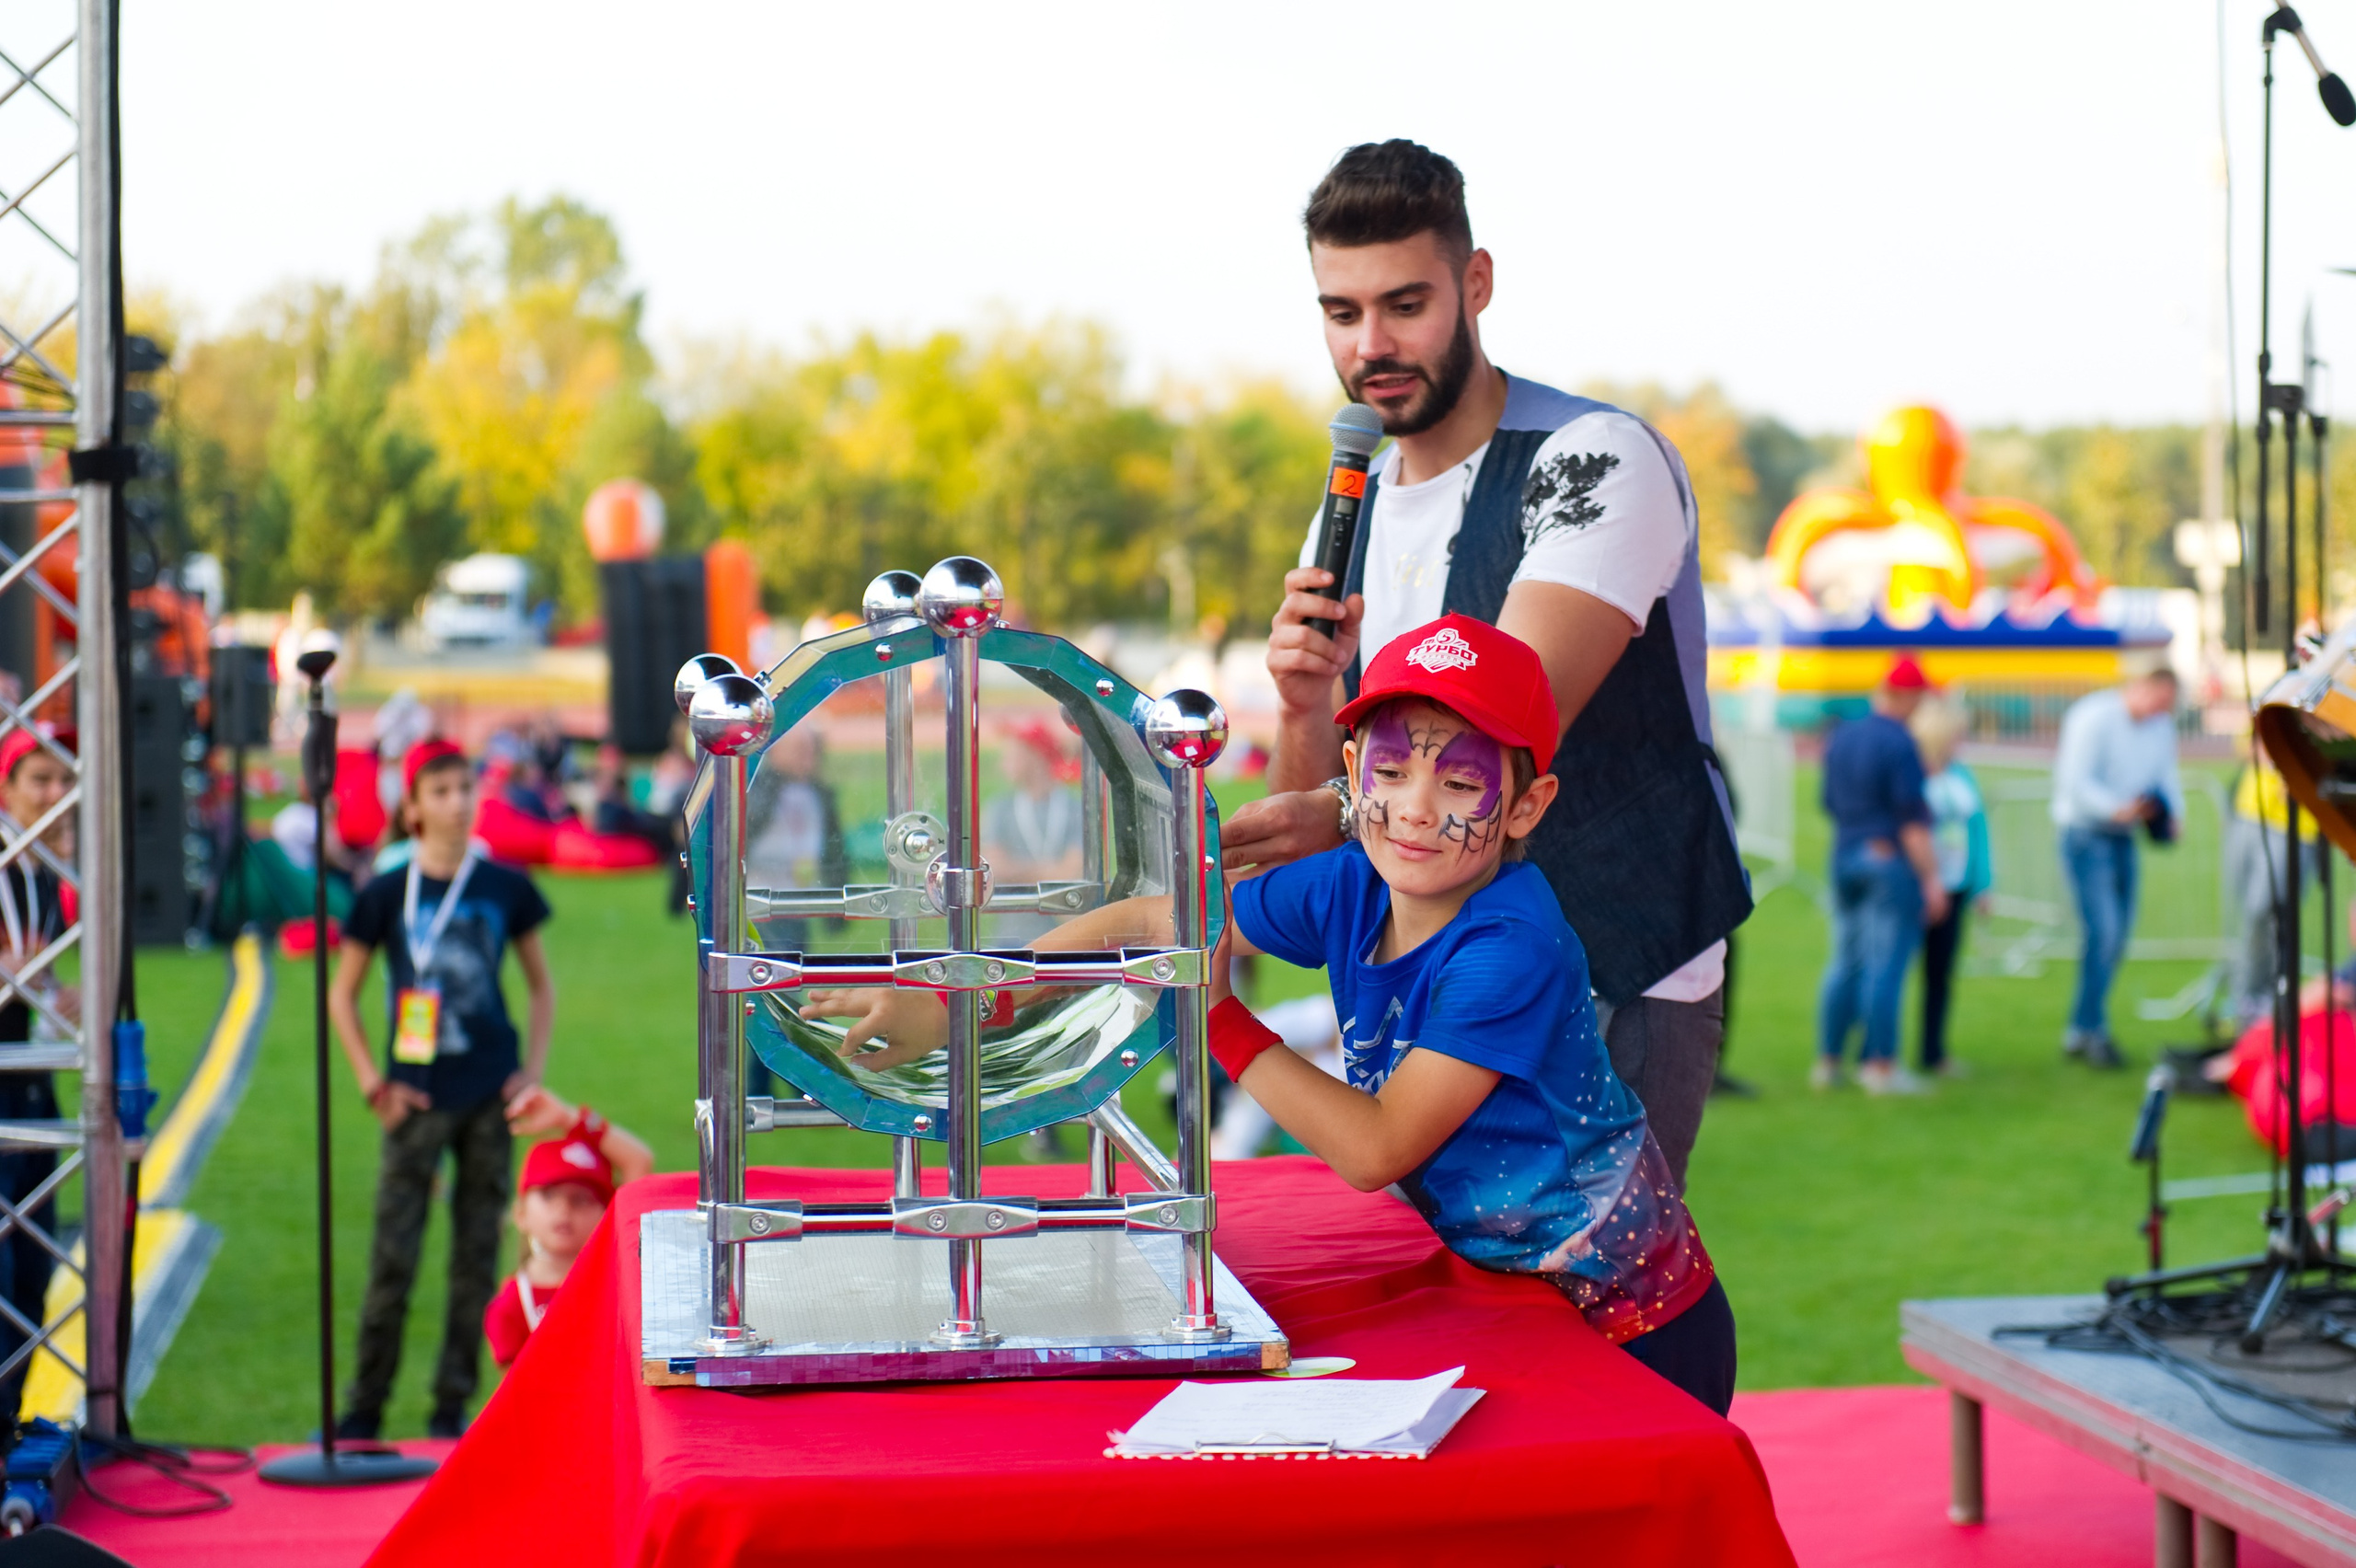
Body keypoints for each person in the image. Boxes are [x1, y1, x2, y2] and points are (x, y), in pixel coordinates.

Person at [799, 618, 1735, 1414]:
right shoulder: (1350, 883)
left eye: (1459, 785)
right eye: (1392, 769)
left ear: (1526, 805)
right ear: (1351, 772)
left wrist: (1219, 1020)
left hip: (1633, 1325)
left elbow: (1376, 1150)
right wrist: (960, 1005)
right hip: (1517, 1301)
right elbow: (1148, 922)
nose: (1411, 811)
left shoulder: (1510, 950)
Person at [1219, 140, 1749, 1192]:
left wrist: (1333, 806)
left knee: (1590, 1327)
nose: (1372, 344)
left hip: (1612, 967)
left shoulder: (1594, 461)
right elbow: (1311, 843)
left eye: (1404, 304)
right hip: (1430, 982)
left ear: (1476, 285)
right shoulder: (1351, 504)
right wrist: (1304, 703)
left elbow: (1500, 733)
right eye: (1340, 312)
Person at [330, 739, 555, 1439]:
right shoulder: (383, 893)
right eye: (442, 792)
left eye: (466, 789)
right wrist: (374, 1085)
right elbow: (343, 996)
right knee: (392, 1258)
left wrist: (531, 1073)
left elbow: (541, 989)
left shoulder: (503, 886)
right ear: (412, 808)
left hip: (489, 1095)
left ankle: (452, 1413)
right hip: (414, 1101)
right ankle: (365, 1411)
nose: (459, 804)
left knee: (475, 1261)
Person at [1816, 655, 1946, 1095]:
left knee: (1845, 960)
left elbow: (1828, 802)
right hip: (1886, 857)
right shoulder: (1900, 743)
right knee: (1885, 964)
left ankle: (1829, 1060)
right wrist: (1932, 879)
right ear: (1906, 696)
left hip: (1845, 851)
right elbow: (1912, 821)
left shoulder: (1843, 735)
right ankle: (1880, 1064)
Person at [0, 729, 77, 1435]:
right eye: (41, 782)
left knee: (37, 1257)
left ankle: (14, 1420)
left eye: (63, 783)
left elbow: (35, 984)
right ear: (6, 788)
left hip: (34, 1081)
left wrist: (56, 995)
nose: (56, 797)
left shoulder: (47, 876)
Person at [2051, 664, 2183, 1069]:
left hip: (2124, 836)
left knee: (2117, 933)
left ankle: (2082, 1025)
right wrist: (2116, 808)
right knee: (2104, 930)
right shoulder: (2092, 717)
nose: (2161, 712)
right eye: (2159, 702)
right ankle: (2091, 1028)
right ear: (2142, 687)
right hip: (2087, 833)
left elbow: (2166, 773)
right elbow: (2076, 781)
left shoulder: (2160, 729)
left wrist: (2174, 813)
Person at [483, 1087, 653, 1369]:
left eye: (581, 1199)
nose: (564, 1210)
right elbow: (513, 1406)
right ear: (521, 1214)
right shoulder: (513, 1305)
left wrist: (569, 1118)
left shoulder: (617, 1272)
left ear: (607, 1214)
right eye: (549, 1195)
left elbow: (638, 1161)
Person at [1910, 698, 1990, 1078]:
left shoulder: (1962, 776)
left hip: (1955, 883)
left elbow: (1978, 831)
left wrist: (1983, 883)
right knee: (1891, 971)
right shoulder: (1912, 773)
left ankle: (1933, 1051)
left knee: (1940, 973)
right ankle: (1877, 1054)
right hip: (1916, 886)